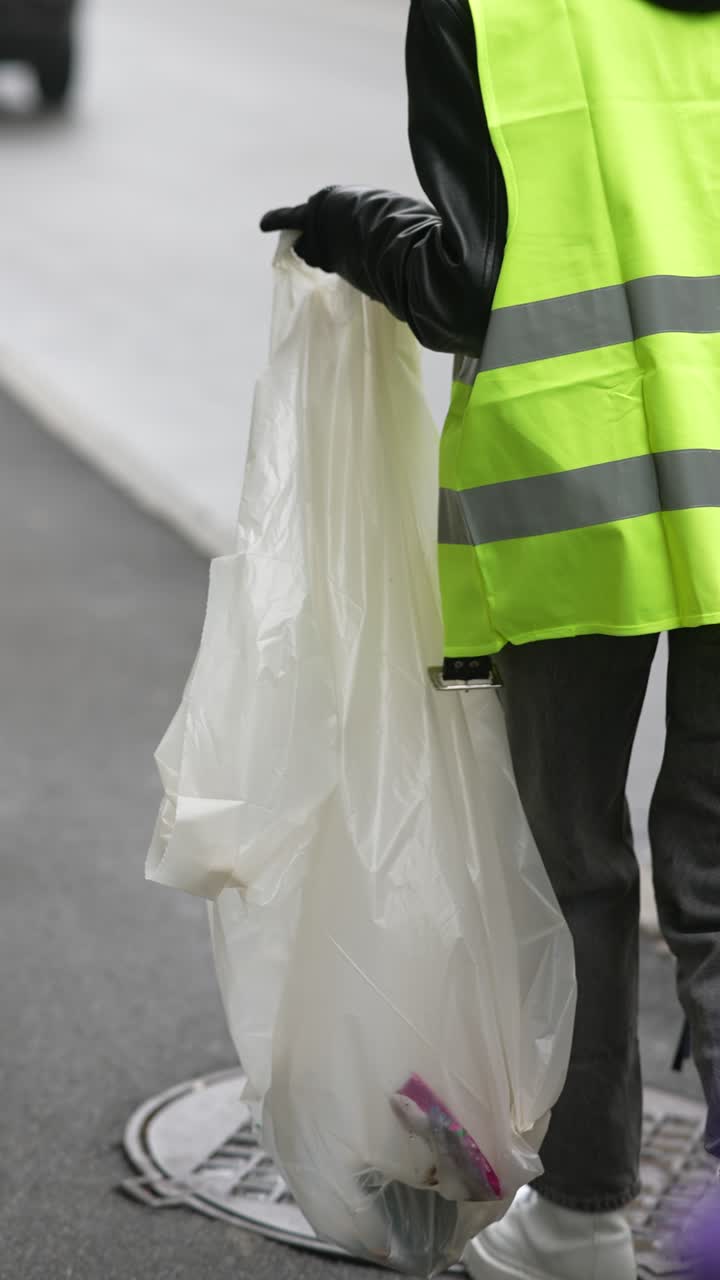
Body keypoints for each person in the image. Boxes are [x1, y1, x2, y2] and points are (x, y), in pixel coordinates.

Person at [261, 2, 720, 1277]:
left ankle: (580, 1214)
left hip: (579, 485)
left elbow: (468, 284)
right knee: (718, 866)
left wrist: (355, 227)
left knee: (576, 858)